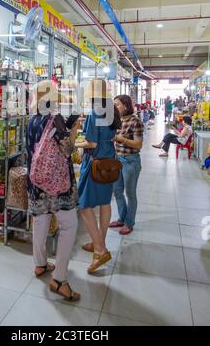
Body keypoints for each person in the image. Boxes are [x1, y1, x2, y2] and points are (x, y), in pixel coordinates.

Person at [26, 80, 80, 301]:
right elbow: (67, 149)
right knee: (69, 226)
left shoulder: (32, 119)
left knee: (40, 221)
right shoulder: (54, 119)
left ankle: (40, 265)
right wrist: (74, 131)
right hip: (58, 184)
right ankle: (59, 279)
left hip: (37, 181)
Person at [75, 79, 121, 274]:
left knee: (84, 206)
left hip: (95, 164)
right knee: (104, 203)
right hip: (109, 163)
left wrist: (77, 144)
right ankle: (98, 242)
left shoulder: (95, 112)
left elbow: (91, 143)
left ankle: (100, 249)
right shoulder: (112, 111)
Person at [109, 95, 143, 235]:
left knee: (130, 193)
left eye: (117, 105)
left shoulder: (136, 121)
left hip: (130, 161)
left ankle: (129, 222)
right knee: (117, 191)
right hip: (117, 160)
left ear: (126, 106)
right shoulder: (116, 121)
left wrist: (120, 139)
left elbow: (139, 144)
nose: (114, 107)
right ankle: (121, 218)